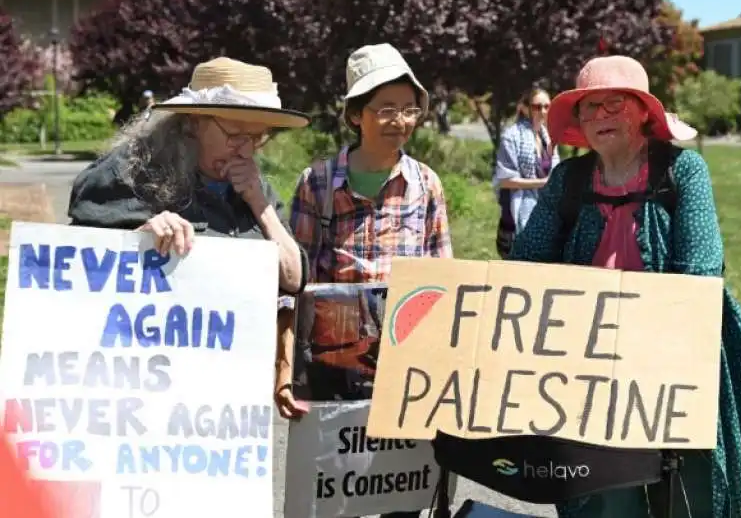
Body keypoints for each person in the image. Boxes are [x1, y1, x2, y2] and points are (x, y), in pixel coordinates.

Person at [507, 55, 741, 518]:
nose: (602, 115)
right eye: (590, 107)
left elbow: (700, 271)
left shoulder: (683, 172)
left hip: (676, 359)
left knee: (690, 494)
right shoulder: (568, 179)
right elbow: (525, 263)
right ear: (579, 122)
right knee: (603, 494)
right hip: (590, 363)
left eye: (616, 104)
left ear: (644, 112)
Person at [275, 43, 453, 518]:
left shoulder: (426, 184)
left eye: (409, 109)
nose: (400, 121)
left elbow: (443, 281)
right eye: (386, 109)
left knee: (405, 494)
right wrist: (286, 371)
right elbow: (294, 288)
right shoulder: (317, 183)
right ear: (356, 115)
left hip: (407, 366)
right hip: (336, 369)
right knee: (341, 497)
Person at [68, 56, 310, 297]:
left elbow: (293, 279)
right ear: (193, 123)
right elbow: (76, 264)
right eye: (235, 135)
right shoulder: (130, 173)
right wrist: (139, 239)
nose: (247, 151)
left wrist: (260, 206)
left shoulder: (256, 187)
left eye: (257, 138)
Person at [493, 87, 560, 258]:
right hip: (515, 219)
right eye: (537, 106)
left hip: (544, 215)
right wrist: (543, 183)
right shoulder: (512, 136)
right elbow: (505, 180)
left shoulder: (549, 138)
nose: (543, 111)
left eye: (547, 106)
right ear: (524, 108)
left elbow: (555, 172)